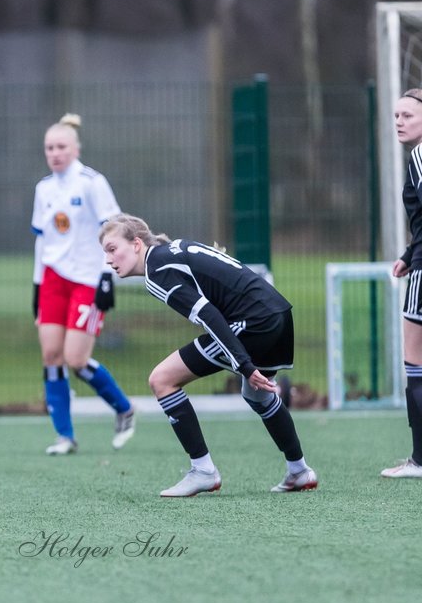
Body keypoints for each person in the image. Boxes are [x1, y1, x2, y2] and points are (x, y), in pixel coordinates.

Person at [99, 213, 317, 497]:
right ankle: (299, 471)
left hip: (254, 322)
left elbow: (210, 316)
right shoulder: (170, 250)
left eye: (112, 249)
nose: (108, 259)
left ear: (137, 244)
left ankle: (203, 471)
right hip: (277, 313)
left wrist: (244, 365)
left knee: (162, 379)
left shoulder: (158, 271)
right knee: (258, 396)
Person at [31, 113, 136, 455]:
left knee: (76, 359)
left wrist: (108, 276)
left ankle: (123, 407)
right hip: (52, 279)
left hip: (88, 279)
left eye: (61, 146)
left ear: (75, 148)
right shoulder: (44, 188)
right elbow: (41, 241)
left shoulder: (92, 182)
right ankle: (65, 436)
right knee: (51, 354)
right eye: (49, 147)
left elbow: (115, 230)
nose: (55, 153)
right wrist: (36, 287)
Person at [381, 88, 422, 479]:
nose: (399, 122)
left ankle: (420, 461)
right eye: (395, 116)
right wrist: (409, 255)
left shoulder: (420, 156)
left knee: (416, 366)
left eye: (407, 116)